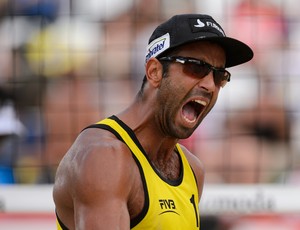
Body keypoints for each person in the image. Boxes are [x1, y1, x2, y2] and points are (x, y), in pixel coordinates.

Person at [53, 14, 253, 229]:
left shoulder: (192, 169)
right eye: (197, 67)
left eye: (219, 75)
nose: (210, 85)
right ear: (154, 71)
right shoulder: (104, 156)